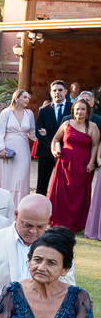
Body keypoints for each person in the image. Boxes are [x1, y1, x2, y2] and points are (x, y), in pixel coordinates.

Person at [47, 98, 100, 231]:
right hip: (64, 163)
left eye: (83, 109)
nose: (80, 112)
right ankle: (55, 220)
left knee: (78, 194)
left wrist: (92, 162)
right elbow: (55, 139)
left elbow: (95, 145)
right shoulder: (66, 124)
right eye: (77, 109)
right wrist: (54, 149)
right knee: (59, 192)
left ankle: (75, 224)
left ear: (87, 112)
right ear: (73, 111)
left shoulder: (93, 126)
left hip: (83, 164)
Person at [0, 88, 36, 202]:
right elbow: (0, 132)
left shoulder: (29, 113)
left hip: (23, 149)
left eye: (28, 98)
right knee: (7, 177)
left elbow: (32, 133)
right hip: (7, 149)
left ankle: (19, 204)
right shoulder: (6, 113)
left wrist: (42, 135)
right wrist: (0, 149)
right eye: (25, 97)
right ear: (16, 99)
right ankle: (3, 202)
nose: (27, 100)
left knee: (21, 178)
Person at [35, 80, 71, 196]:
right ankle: (39, 209)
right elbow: (38, 131)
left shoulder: (73, 109)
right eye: (54, 90)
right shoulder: (44, 110)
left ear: (66, 91)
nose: (57, 93)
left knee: (65, 183)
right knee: (42, 184)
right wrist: (53, 146)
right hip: (46, 152)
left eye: (60, 90)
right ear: (51, 93)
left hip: (67, 152)